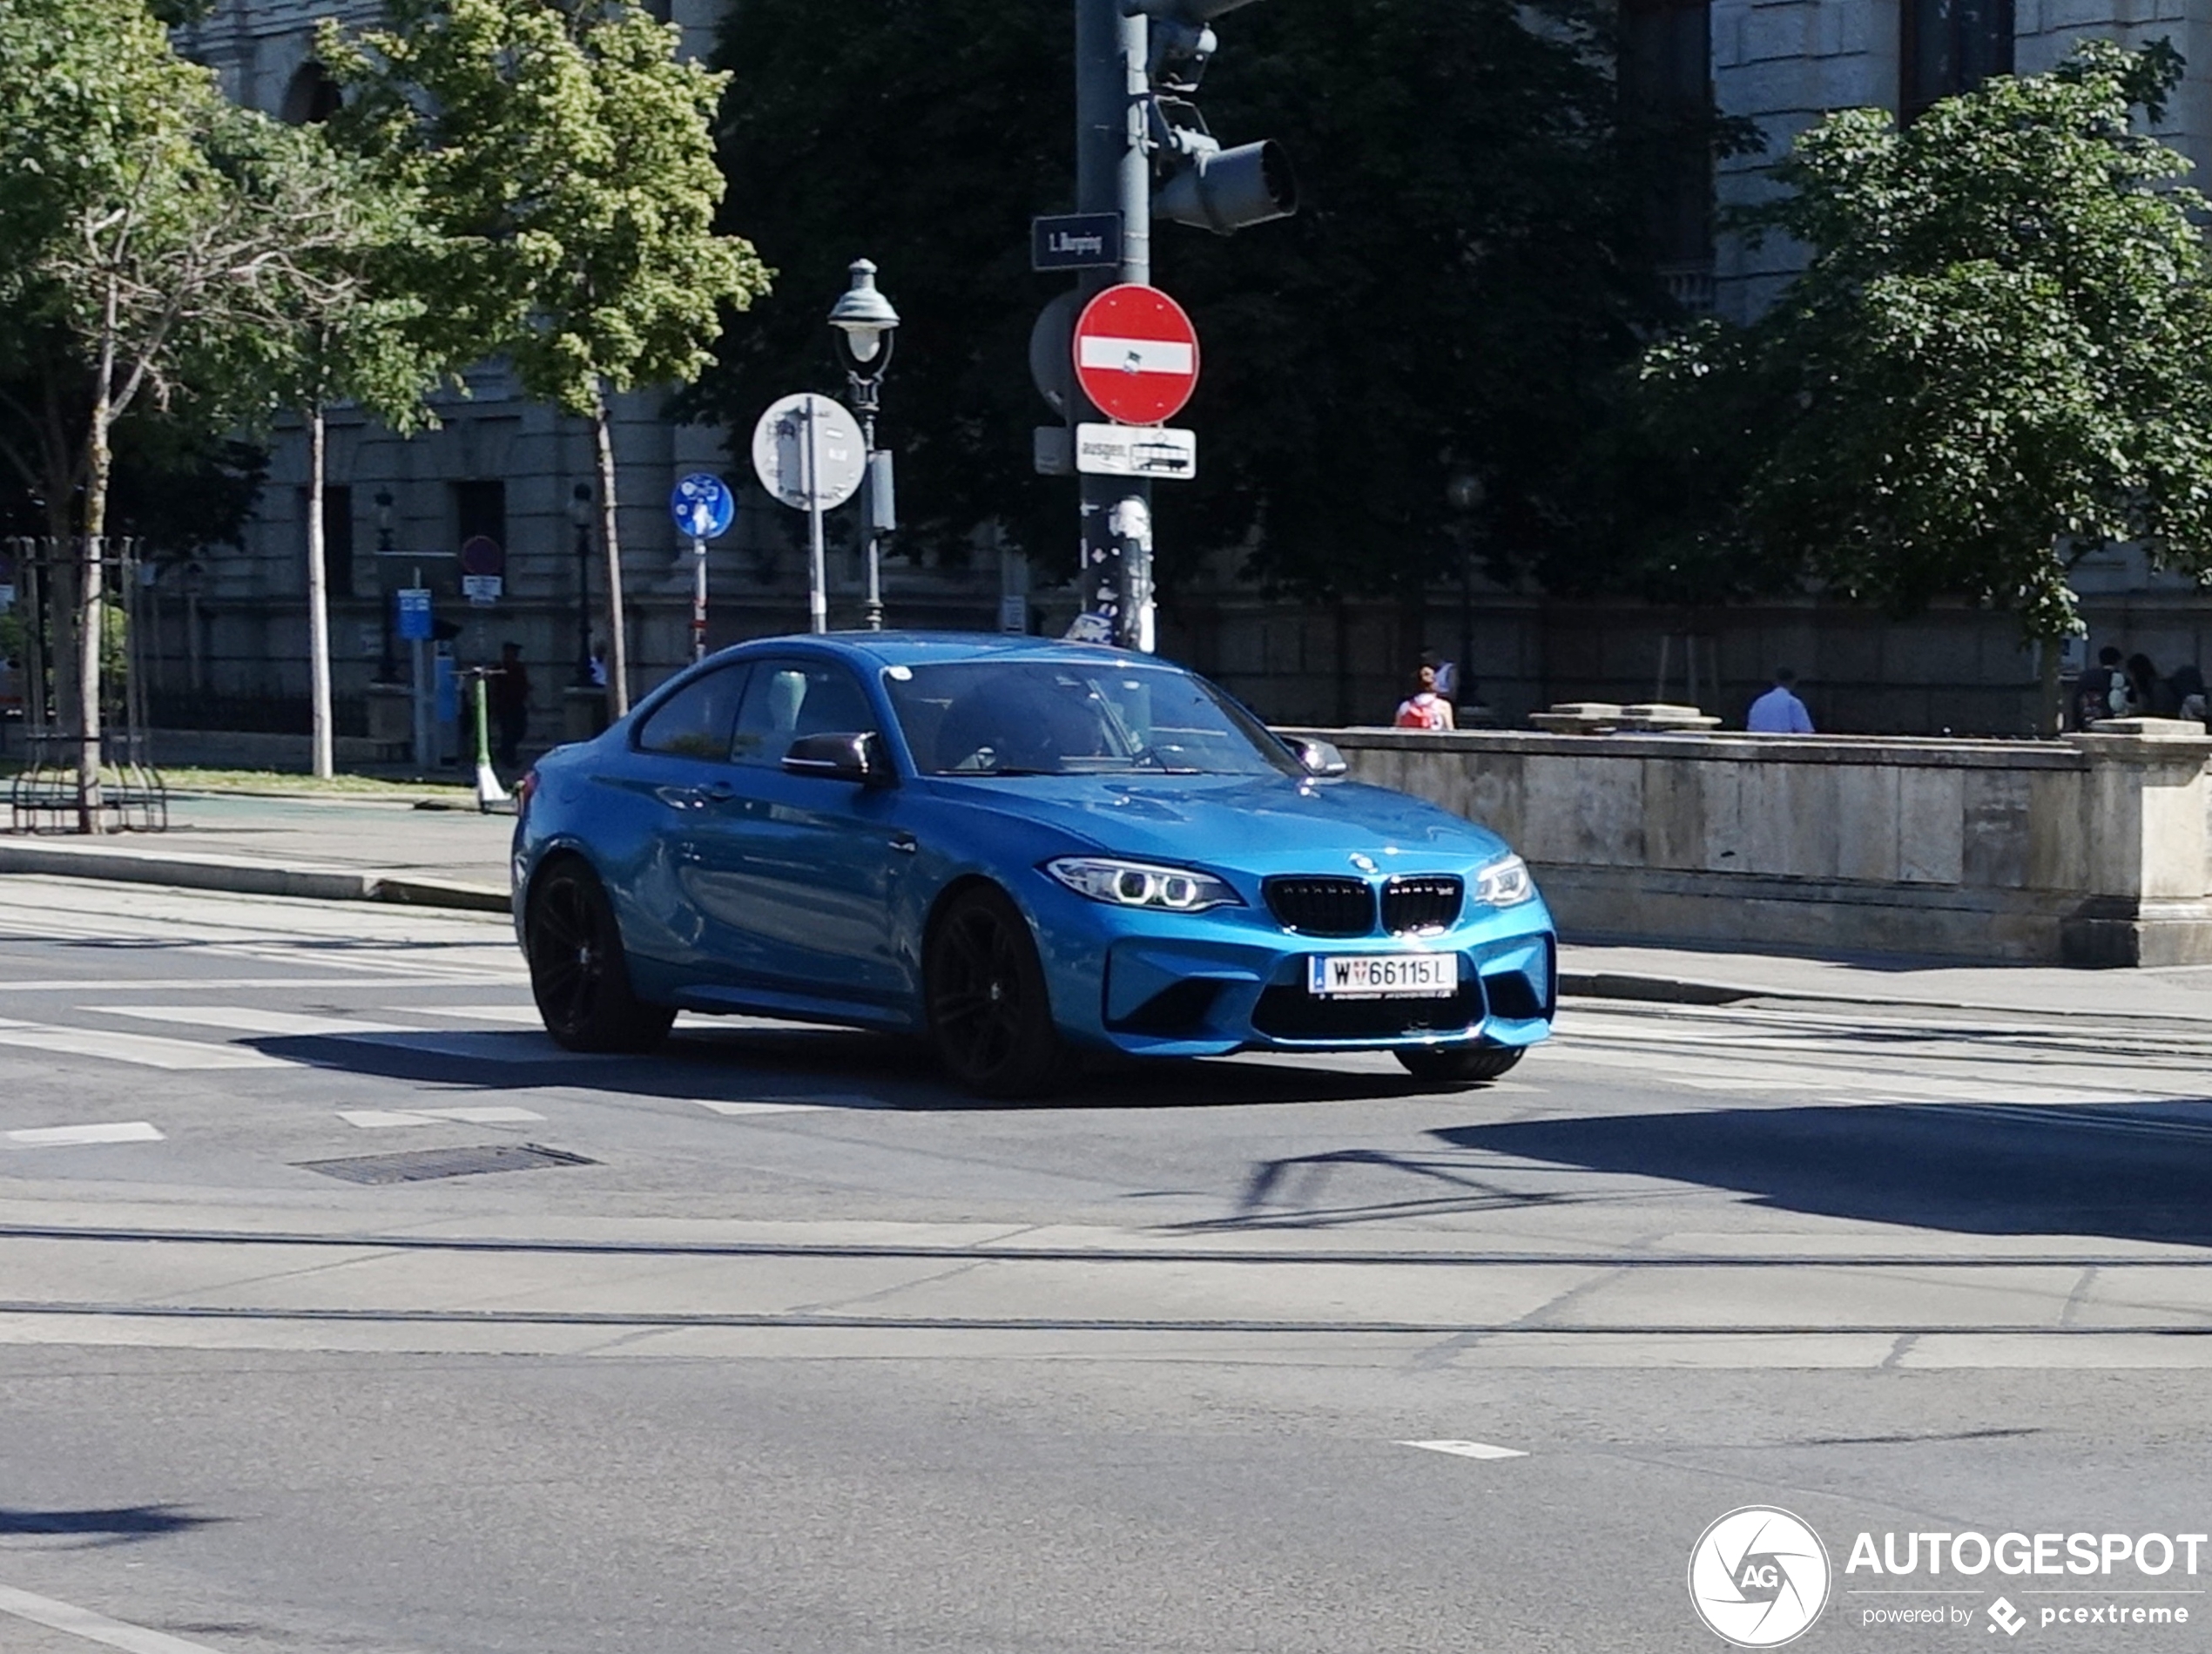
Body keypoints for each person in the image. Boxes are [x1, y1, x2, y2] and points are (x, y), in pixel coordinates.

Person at [489, 640, 530, 768]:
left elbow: (524, 685)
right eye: (513, 652)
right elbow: (492, 685)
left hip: (518, 704)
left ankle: (503, 752)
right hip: (504, 704)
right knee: (508, 732)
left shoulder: (519, 667)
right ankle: (509, 758)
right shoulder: (499, 668)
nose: (515, 655)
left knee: (520, 731)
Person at [1746, 666, 1814, 733]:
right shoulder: (1794, 703)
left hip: (1759, 742)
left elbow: (1751, 728)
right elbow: (1805, 730)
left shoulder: (1759, 702)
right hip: (1785, 742)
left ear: (1775, 681)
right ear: (1793, 682)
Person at [2074, 645, 2125, 728]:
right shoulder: (2118, 677)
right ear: (2117, 661)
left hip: (2085, 717)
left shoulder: (2085, 675)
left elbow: (2076, 697)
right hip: (2107, 719)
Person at [1394, 664, 1456, 731]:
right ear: (1435, 683)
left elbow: (1397, 730)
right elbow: (1450, 731)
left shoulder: (1404, 706)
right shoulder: (1443, 706)